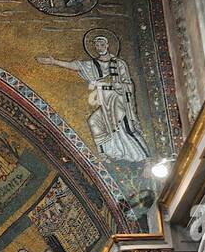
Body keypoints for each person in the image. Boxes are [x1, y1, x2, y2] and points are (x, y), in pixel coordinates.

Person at [37, 34, 151, 162]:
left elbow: (128, 83)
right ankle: (105, 153)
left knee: (127, 128)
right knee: (93, 121)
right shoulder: (93, 64)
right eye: (97, 45)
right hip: (105, 100)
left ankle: (146, 158)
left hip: (118, 100)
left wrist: (117, 85)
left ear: (107, 45)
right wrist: (54, 62)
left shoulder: (119, 63)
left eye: (102, 44)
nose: (99, 47)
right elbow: (76, 66)